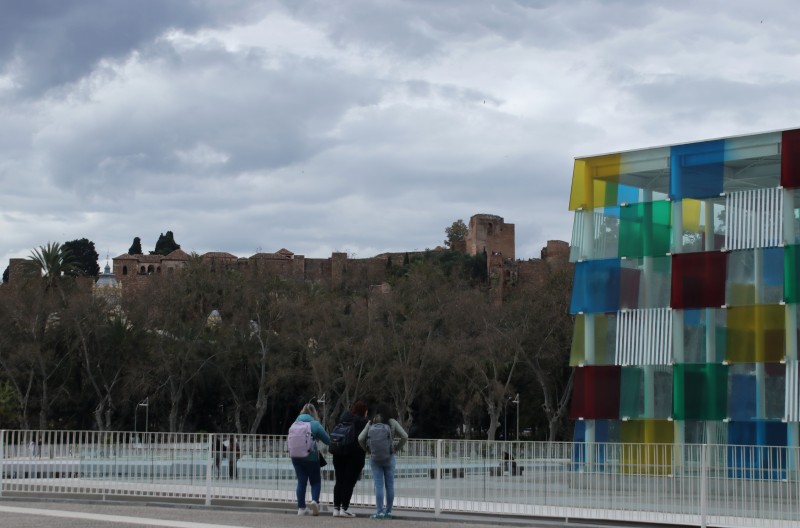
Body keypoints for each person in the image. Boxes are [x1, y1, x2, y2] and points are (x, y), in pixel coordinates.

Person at [358, 403, 408, 520]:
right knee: (390, 485)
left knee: (379, 485)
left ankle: (379, 512)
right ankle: (388, 512)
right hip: (389, 457)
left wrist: (367, 450)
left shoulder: (371, 423)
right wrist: (396, 448)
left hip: (375, 458)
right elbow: (404, 436)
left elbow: (360, 438)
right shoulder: (392, 422)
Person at [289, 403, 330, 516]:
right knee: (315, 481)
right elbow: (327, 440)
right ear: (314, 413)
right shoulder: (315, 424)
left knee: (301, 481)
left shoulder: (294, 424)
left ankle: (301, 508)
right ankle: (314, 502)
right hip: (311, 456)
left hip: (295, 457)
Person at [332, 401, 369, 518]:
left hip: (338, 453)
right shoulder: (363, 422)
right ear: (364, 411)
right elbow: (365, 438)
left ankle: (336, 509)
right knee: (349, 482)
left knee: (339, 481)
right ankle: (345, 508)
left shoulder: (343, 419)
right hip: (354, 455)